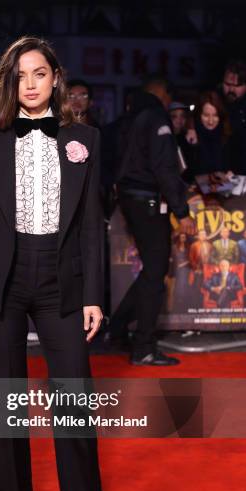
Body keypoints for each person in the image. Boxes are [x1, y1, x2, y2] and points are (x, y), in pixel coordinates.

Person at [0, 36, 126, 491]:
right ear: (11, 83)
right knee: (6, 410)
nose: (29, 85)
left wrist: (95, 295)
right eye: (20, 76)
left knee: (75, 406)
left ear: (56, 78)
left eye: (39, 74)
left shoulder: (86, 139)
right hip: (1, 281)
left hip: (63, 279)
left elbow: (93, 229)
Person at [109, 75, 196, 365]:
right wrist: (181, 211)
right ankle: (144, 347)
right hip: (147, 199)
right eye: (169, 97)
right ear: (160, 92)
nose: (170, 103)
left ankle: (118, 329)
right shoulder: (155, 115)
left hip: (131, 197)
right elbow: (164, 167)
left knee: (152, 270)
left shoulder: (129, 118)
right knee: (156, 271)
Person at [186, 91, 231, 178]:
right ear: (199, 115)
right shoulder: (191, 135)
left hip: (223, 188)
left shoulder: (226, 134)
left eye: (215, 115)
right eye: (206, 115)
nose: (211, 121)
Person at [221, 59, 246, 175]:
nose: (231, 89)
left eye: (237, 86)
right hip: (219, 174)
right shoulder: (215, 100)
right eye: (227, 84)